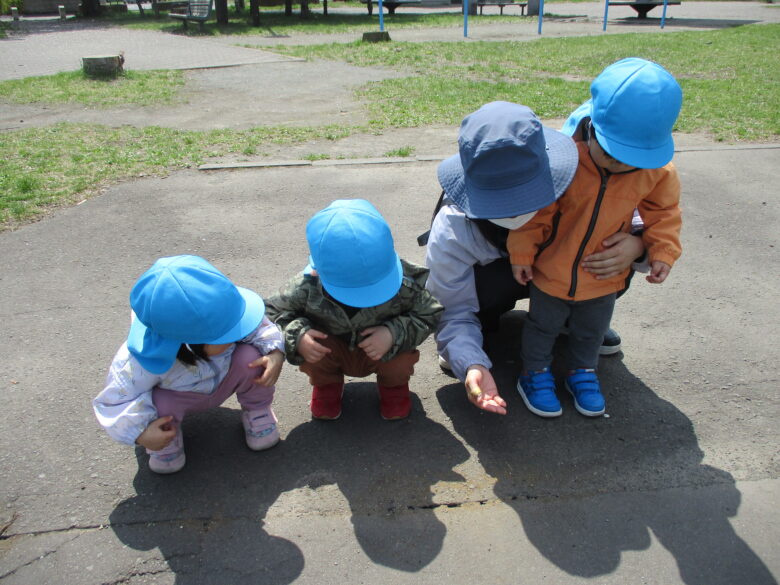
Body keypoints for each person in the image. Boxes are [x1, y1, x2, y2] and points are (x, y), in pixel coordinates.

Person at [424, 101, 646, 415]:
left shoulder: (574, 171)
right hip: (497, 279)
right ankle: (480, 333)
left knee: (609, 251)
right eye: (502, 203)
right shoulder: (453, 225)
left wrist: (639, 244)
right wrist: (469, 361)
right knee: (477, 308)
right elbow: (450, 310)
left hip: (564, 272)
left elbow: (624, 200)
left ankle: (575, 320)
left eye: (527, 197)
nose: (518, 212)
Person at [508, 58, 683, 417]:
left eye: (630, 158)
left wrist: (662, 251)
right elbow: (536, 213)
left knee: (592, 330)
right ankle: (534, 372)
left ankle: (583, 371)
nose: (618, 165)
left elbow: (664, 213)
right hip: (551, 271)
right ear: (591, 128)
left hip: (604, 276)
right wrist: (522, 254)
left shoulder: (656, 171)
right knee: (541, 326)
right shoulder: (565, 159)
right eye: (610, 153)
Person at [93, 255, 285, 474]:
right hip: (177, 398)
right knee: (159, 401)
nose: (240, 331)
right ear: (190, 343)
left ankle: (258, 411)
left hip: (224, 378)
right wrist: (140, 434)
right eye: (229, 333)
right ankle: (166, 439)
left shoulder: (221, 314)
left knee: (252, 358)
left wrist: (275, 352)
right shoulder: (141, 359)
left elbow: (259, 327)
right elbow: (114, 403)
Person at [265, 199, 443, 421]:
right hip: (330, 350)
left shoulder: (404, 283)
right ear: (317, 271)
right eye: (353, 289)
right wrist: (298, 335)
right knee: (311, 348)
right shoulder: (306, 285)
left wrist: (393, 332)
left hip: (385, 352)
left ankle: (393, 387)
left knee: (400, 360)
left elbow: (430, 312)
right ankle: (327, 385)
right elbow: (269, 313)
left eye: (374, 286)